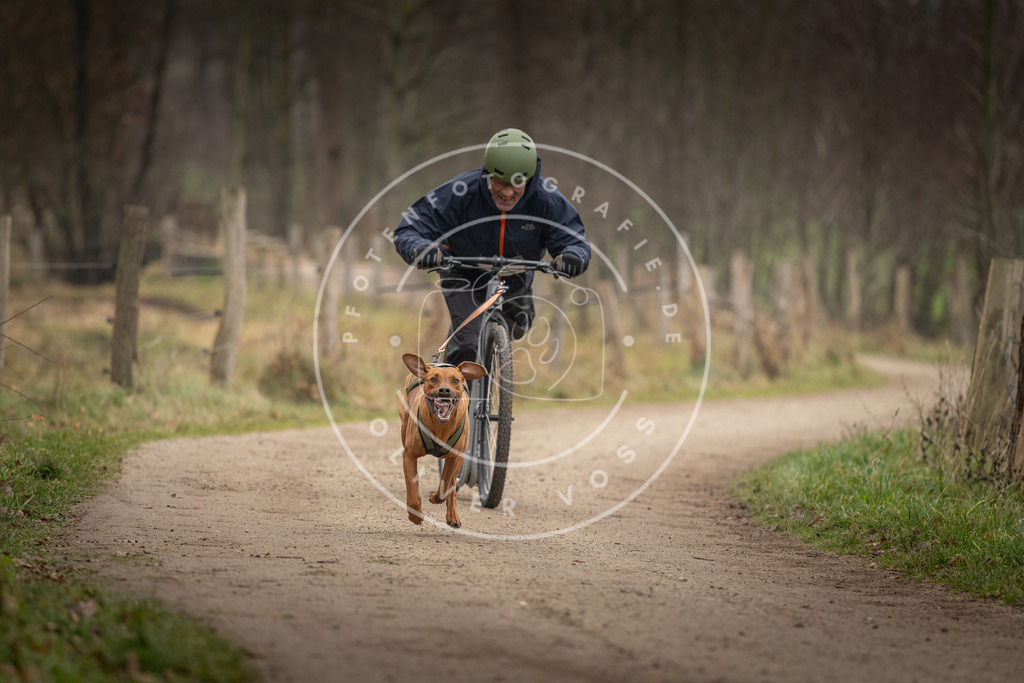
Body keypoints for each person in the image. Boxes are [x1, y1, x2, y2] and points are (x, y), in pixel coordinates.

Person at [394, 128, 591, 366]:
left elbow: (574, 239)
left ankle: (491, 368)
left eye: (516, 183)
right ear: (488, 174)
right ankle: (454, 384)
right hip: (462, 271)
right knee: (468, 341)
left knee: (519, 326)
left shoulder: (547, 200)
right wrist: (421, 248)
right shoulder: (461, 192)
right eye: (499, 182)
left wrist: (572, 256)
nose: (507, 192)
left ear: (530, 179)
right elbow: (410, 227)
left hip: (516, 274)